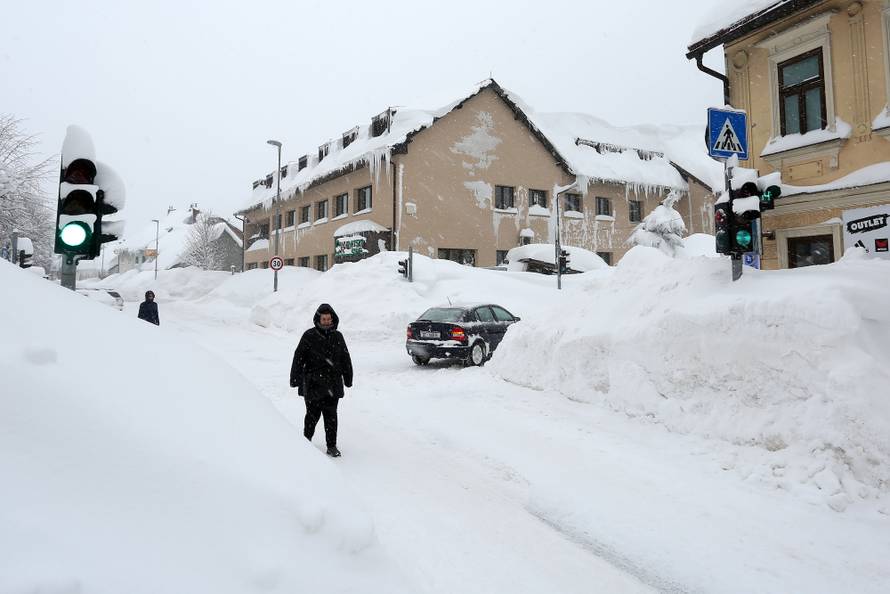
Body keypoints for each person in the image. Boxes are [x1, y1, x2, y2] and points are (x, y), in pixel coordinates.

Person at [290, 303, 353, 457]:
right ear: (318, 319)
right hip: (313, 384)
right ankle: (305, 441)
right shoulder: (309, 336)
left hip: (333, 383)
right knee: (311, 416)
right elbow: (298, 357)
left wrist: (348, 378)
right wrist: (295, 378)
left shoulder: (338, 336)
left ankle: (331, 446)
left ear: (332, 319)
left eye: (328, 319)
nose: (326, 322)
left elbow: (345, 358)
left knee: (331, 417)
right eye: (323, 319)